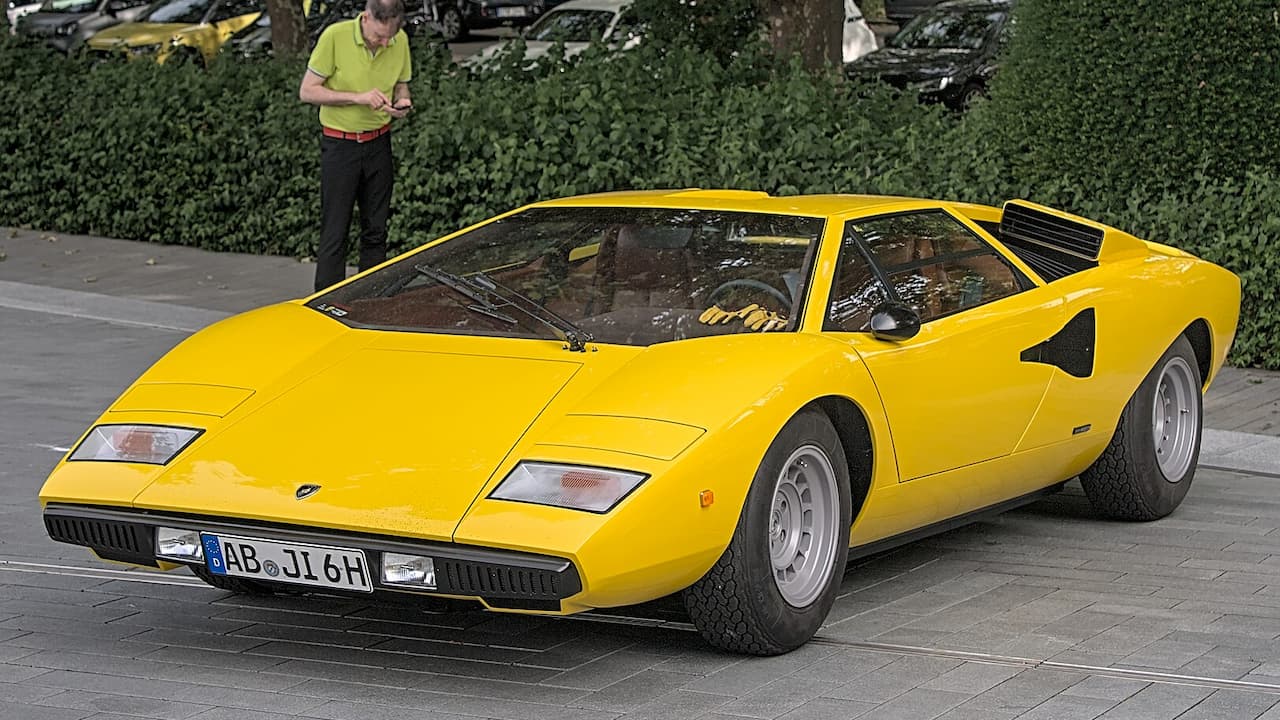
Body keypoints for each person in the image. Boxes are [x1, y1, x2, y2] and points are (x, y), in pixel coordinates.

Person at [299, 0, 413, 292]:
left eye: (391, 36)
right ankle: (327, 302)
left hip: (379, 142)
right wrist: (358, 97)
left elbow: (401, 83)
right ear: (366, 17)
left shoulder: (398, 40)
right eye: (379, 36)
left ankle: (369, 301)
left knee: (376, 229)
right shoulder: (335, 36)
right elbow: (308, 91)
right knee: (335, 231)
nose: (386, 42)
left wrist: (402, 101)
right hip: (341, 144)